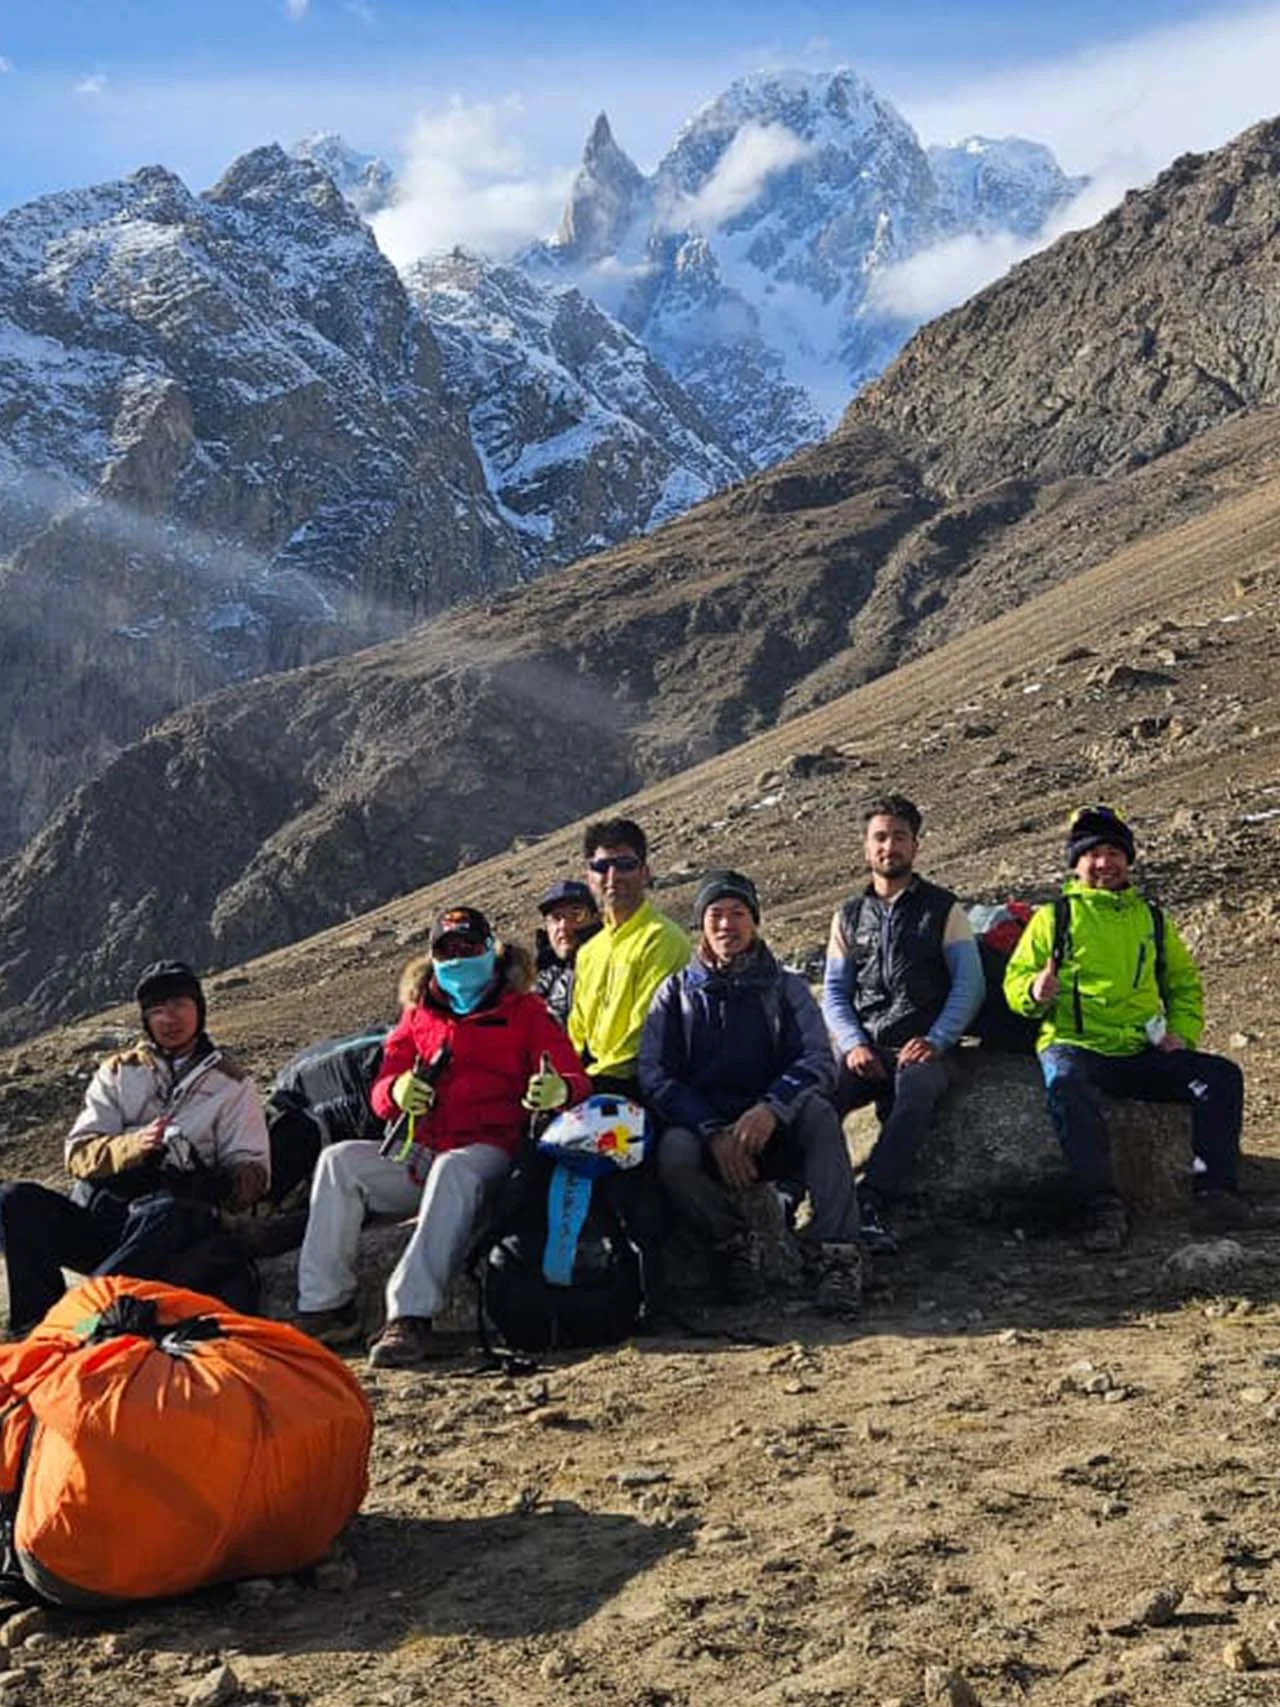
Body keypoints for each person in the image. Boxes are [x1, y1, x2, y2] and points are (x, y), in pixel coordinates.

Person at [294, 905, 591, 1368]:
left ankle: (411, 1315)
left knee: (454, 1170)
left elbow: (572, 1074)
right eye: (445, 949)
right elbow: (381, 1089)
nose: (457, 957)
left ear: (490, 950)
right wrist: (396, 1090)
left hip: (491, 1153)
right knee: (339, 1162)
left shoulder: (525, 1011)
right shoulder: (419, 1014)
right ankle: (326, 1306)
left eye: (468, 947)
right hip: (425, 1148)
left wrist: (561, 1089)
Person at [1004, 804, 1246, 1251]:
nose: (1105, 862)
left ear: (1128, 859)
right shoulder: (1053, 918)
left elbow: (1182, 984)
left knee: (1220, 1076)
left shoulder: (1150, 918)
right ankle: (1100, 1206)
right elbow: (1014, 983)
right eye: (1093, 853)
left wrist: (1182, 1034)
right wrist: (1034, 992)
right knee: (1067, 1087)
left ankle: (1215, 1191)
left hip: (1140, 1047)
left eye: (1115, 852)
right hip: (1075, 1043)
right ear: (1076, 864)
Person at [0, 961, 270, 1334]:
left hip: (175, 1233)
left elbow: (254, 1172)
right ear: (145, 1019)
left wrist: (210, 1182)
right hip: (112, 1221)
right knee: (16, 1199)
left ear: (199, 1010)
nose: (168, 1019)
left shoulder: (232, 1085)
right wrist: (133, 1147)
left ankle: (79, 1325)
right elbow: (78, 1153)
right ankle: (34, 1325)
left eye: (179, 1006)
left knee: (168, 1211)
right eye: (157, 1010)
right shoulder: (118, 1072)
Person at [639, 871, 861, 1313]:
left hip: (772, 1128)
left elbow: (816, 1060)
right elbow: (656, 1075)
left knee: (818, 1114)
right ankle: (735, 1243)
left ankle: (840, 1255)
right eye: (715, 914)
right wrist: (710, 1131)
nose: (727, 925)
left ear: (755, 921)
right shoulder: (676, 993)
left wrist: (772, 1109)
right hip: (708, 1132)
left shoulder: (786, 988)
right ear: (700, 925)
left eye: (738, 913)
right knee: (673, 1154)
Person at [822, 794, 984, 1248]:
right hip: (867, 1045)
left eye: (898, 837)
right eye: (879, 837)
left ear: (915, 845)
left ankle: (873, 1199)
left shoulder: (944, 910)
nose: (888, 846)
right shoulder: (848, 916)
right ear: (866, 846)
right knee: (819, 1096)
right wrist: (853, 1043)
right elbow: (835, 992)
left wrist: (937, 1039)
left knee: (915, 1088)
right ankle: (797, 1191)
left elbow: (969, 984)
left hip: (925, 1047)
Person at [568, 818, 691, 1094]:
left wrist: (584, 1083)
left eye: (625, 865)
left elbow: (647, 1032)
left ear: (645, 872)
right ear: (589, 877)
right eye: (601, 867)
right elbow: (576, 1031)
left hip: (643, 1085)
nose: (613, 877)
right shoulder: (589, 951)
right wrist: (566, 1077)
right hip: (592, 1082)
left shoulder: (662, 938)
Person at [534, 879, 601, 1026]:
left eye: (576, 914)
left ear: (596, 918)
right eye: (556, 918)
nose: (563, 925)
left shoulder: (614, 966)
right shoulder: (542, 978)